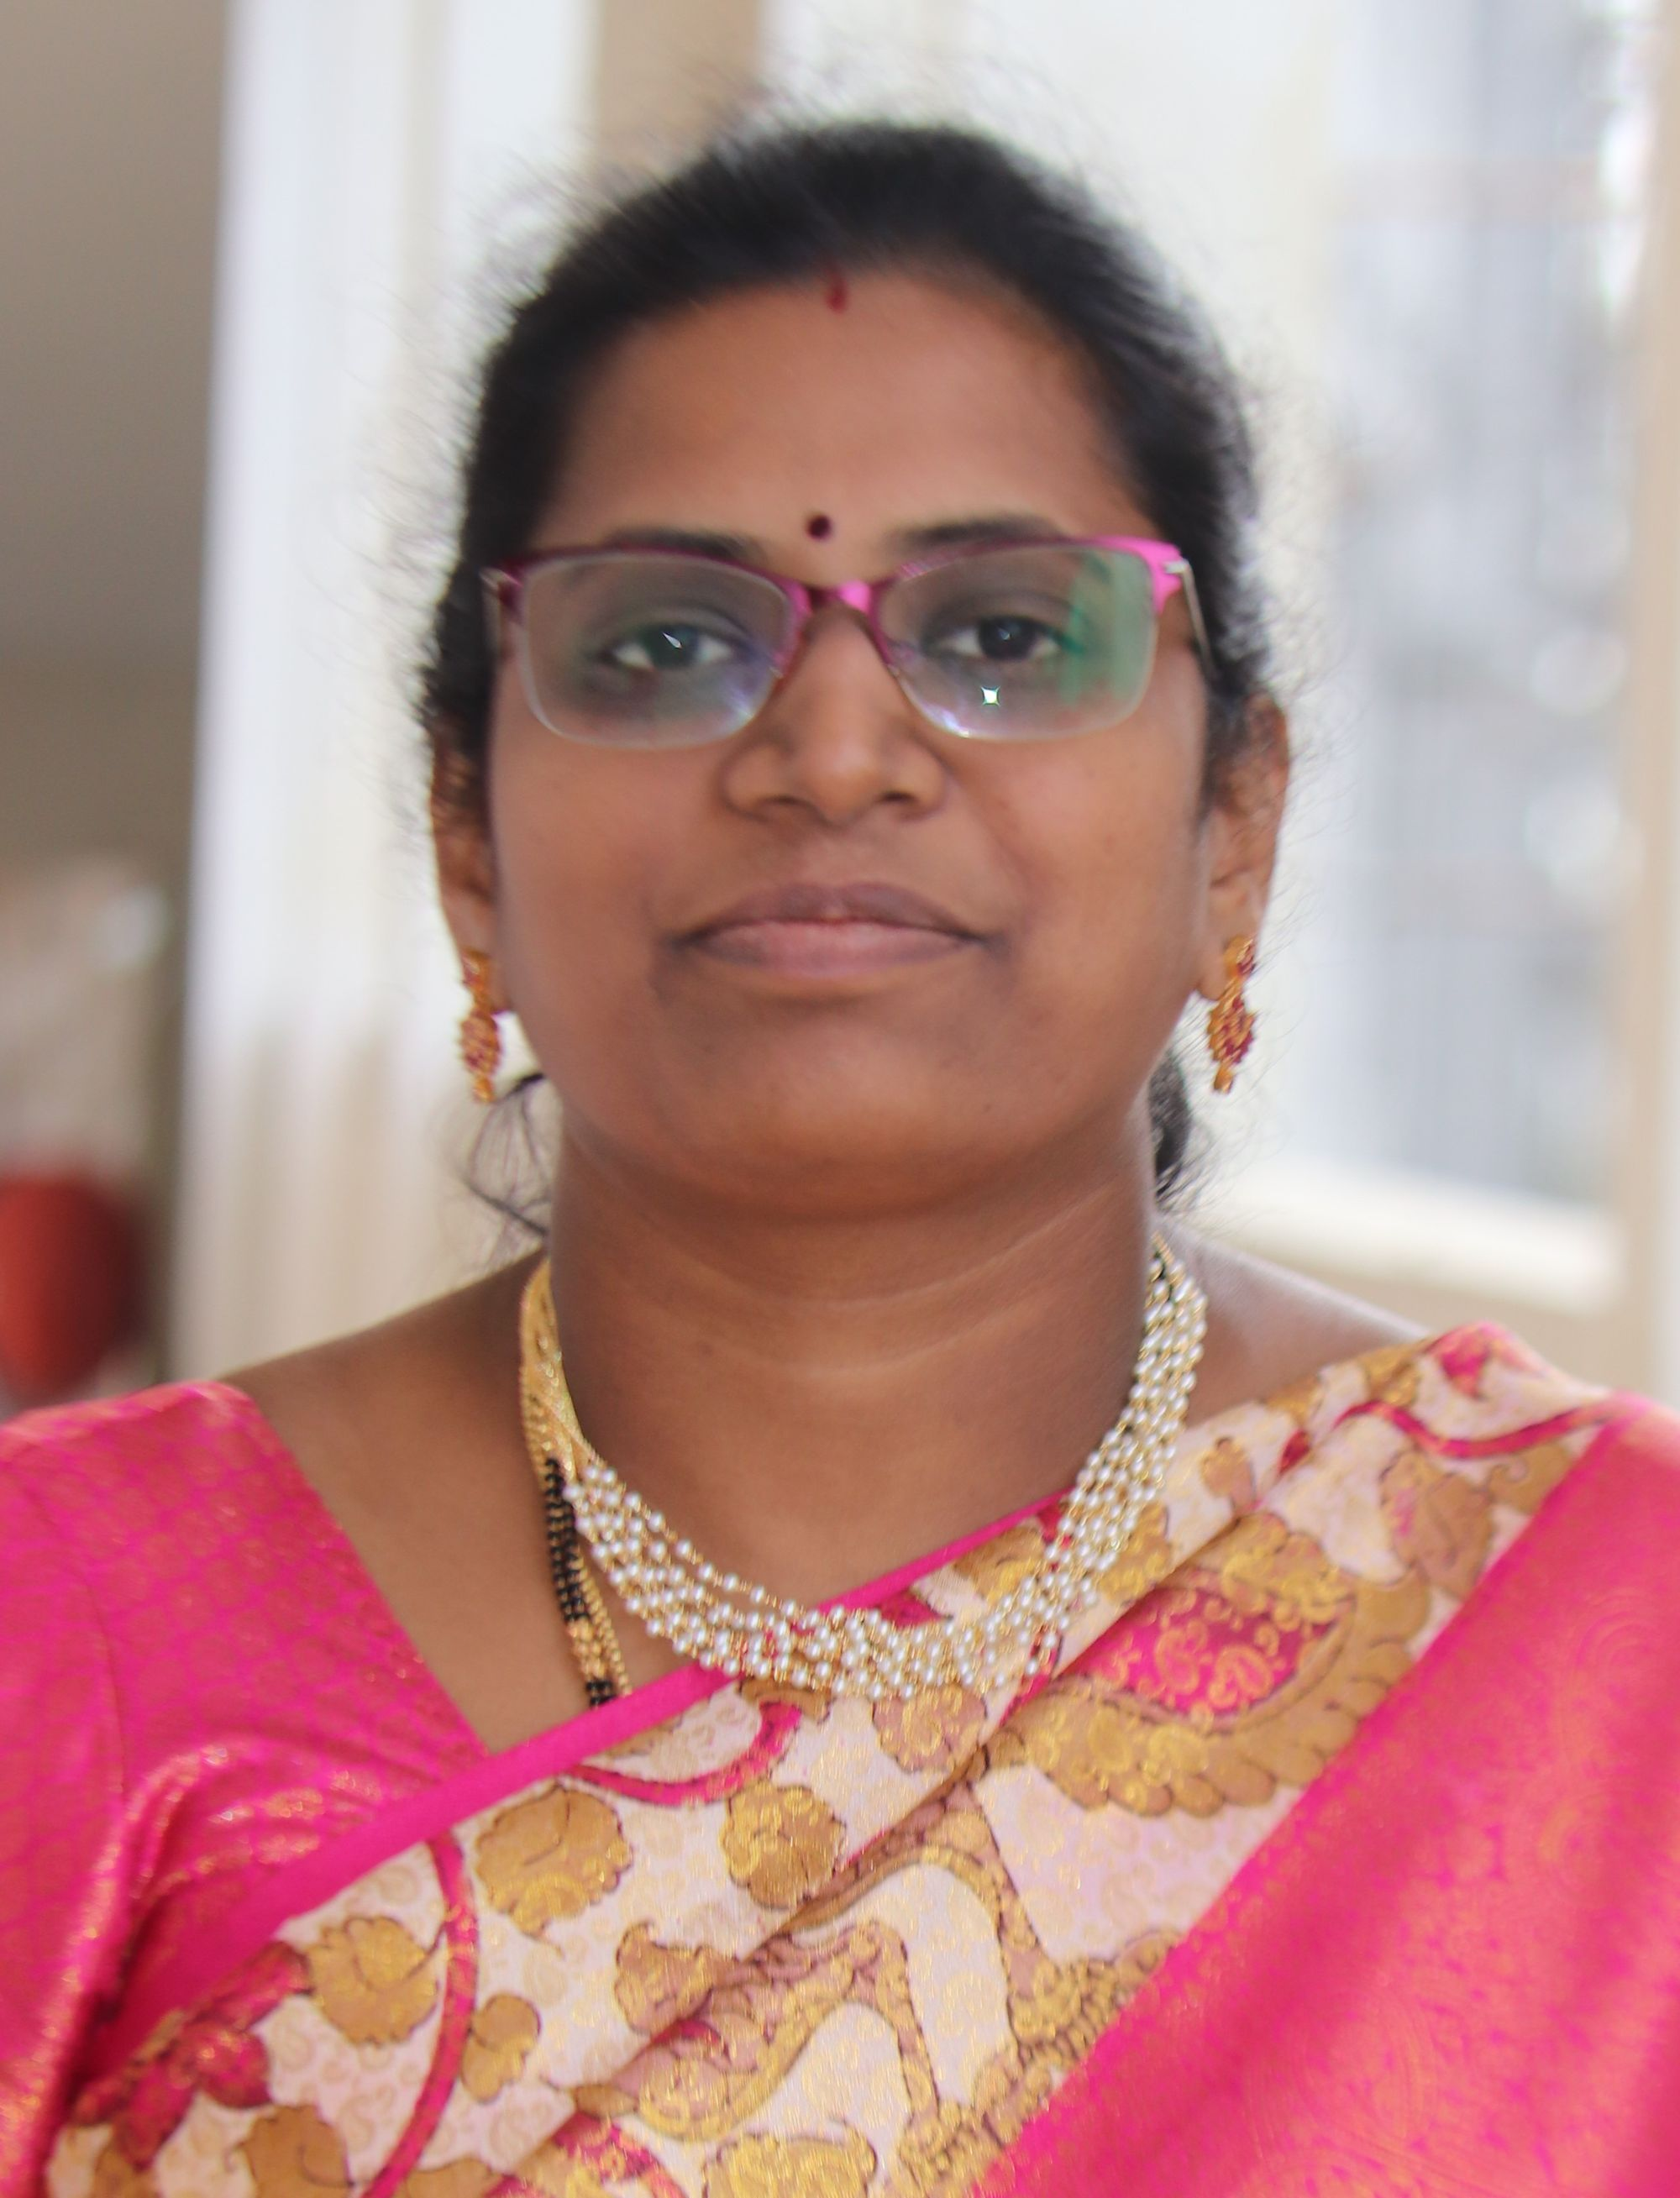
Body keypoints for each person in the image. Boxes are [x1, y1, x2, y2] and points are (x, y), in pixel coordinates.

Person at [3, 119, 1677, 2198]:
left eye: (1003, 637)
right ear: (468, 835)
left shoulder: (1612, 1643)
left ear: (1233, 826)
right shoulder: (58, 1628)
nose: (831, 748)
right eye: (662, 643)